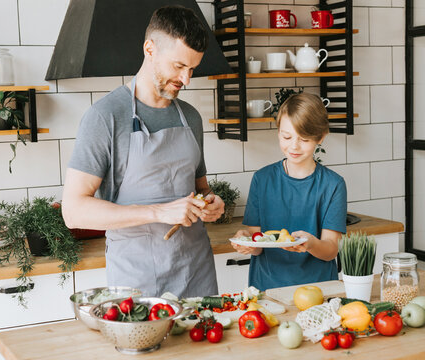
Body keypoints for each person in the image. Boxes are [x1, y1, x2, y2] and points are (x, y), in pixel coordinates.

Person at [61, 5, 224, 298]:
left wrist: (211, 204)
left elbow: (200, 189)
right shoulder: (105, 117)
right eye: (178, 66)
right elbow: (73, 212)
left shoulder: (191, 117)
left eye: (192, 69)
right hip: (138, 279)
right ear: (150, 49)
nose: (186, 79)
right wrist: (159, 211)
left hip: (196, 270)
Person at [231, 93, 347, 291]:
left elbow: (330, 251)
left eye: (304, 139)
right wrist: (247, 242)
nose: (294, 146)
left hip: (318, 290)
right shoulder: (262, 179)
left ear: (321, 137)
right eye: (286, 136)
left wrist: (310, 244)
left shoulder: (333, 184)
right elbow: (258, 243)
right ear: (278, 132)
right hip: (267, 289)